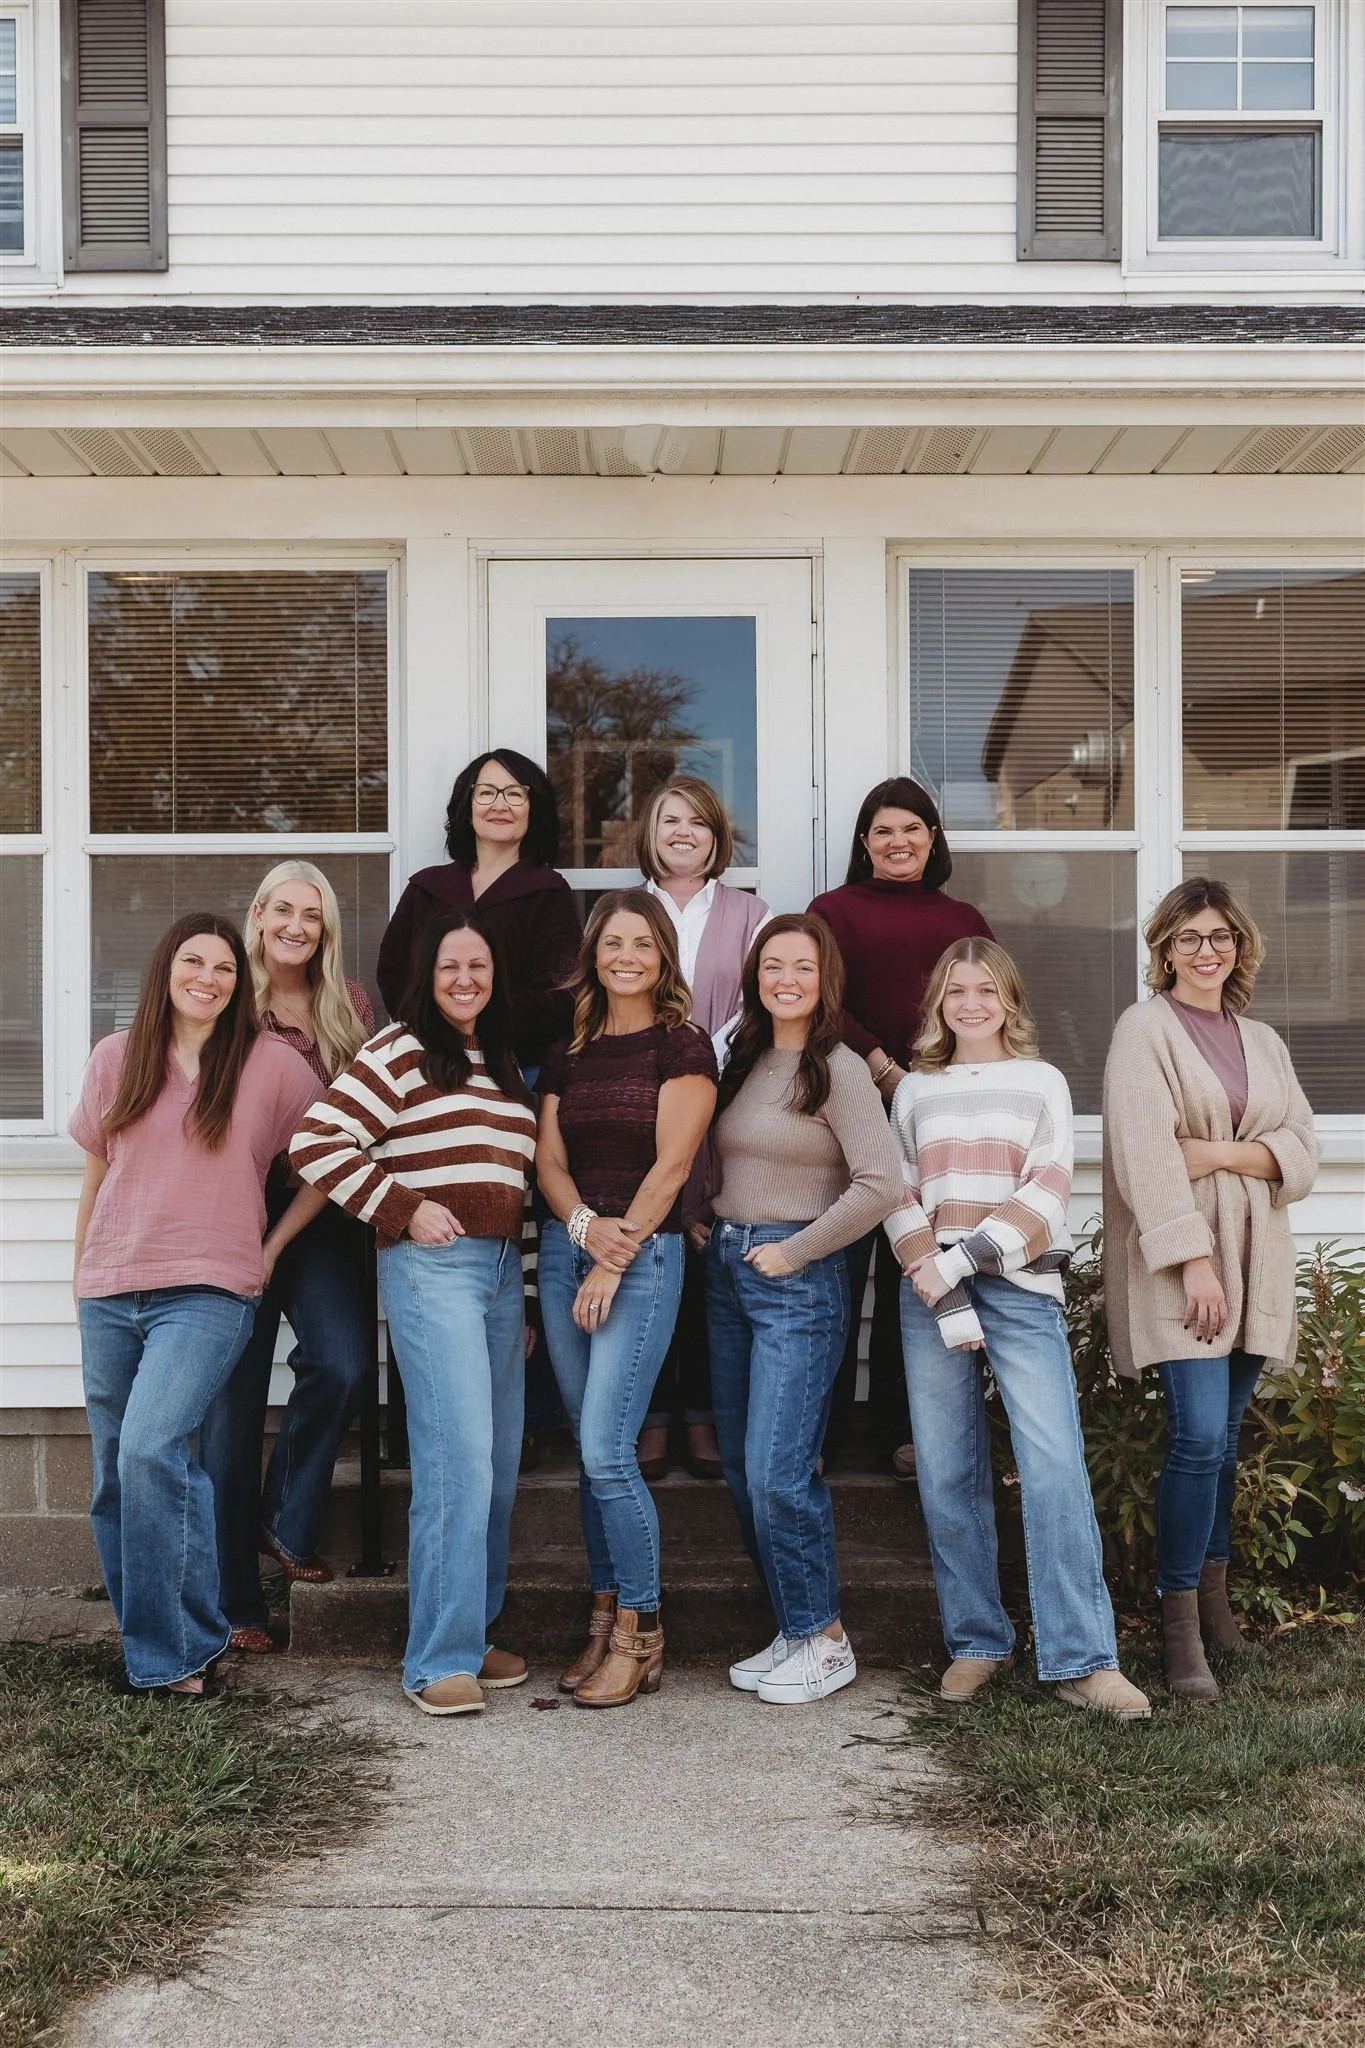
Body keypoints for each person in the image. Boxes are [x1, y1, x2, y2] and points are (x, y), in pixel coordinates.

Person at [888, 937, 1150, 1720]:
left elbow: (1048, 1190)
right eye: (955, 991)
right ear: (938, 1002)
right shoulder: (913, 1091)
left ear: (1008, 1001)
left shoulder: (1040, 1081)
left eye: (985, 991)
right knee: (945, 1470)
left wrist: (962, 1264)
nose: (970, 1004)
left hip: (1015, 1281)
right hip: (927, 1288)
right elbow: (896, 1195)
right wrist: (939, 1288)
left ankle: (1081, 1659)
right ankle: (977, 1640)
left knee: (1052, 1463)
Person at [290, 909, 539, 1717]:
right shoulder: (396, 1051)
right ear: (426, 978)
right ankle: (436, 1659)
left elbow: (519, 1188)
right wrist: (401, 1208)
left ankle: (470, 1629)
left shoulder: (503, 1063)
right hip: (434, 1271)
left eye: (478, 965)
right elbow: (316, 1143)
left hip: (501, 1275)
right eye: (448, 967)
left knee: (496, 1466)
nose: (464, 979)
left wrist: (528, 1292)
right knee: (455, 1462)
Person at [71, 915, 324, 1699]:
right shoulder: (117, 1058)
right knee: (117, 1474)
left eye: (222, 966)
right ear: (165, 970)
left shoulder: (271, 1064)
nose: (208, 978)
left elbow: (331, 1157)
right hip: (111, 1287)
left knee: (152, 1449)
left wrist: (271, 1249)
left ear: (237, 981)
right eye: (192, 961)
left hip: (211, 1288)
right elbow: (95, 1173)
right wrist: (82, 1270)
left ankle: (174, 1655)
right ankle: (160, 1637)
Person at [1102, 879, 1319, 1703]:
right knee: (1195, 1437)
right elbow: (1147, 1156)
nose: (1205, 951)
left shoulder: (1260, 1039)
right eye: (1188, 938)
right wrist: (1191, 1260)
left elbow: (1299, 1143)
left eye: (1219, 936)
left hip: (1255, 1255)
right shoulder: (1143, 1031)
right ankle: (1178, 1623)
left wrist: (1224, 1155)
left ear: (1238, 946)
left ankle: (1216, 1608)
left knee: (1225, 1443)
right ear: (1163, 949)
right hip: (1182, 1262)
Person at [704, 914, 901, 1704]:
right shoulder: (744, 1056)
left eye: (803, 966)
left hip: (795, 1277)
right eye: (772, 964)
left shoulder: (839, 1067)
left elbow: (882, 1184)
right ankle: (792, 1629)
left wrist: (796, 1250)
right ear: (755, 976)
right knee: (744, 1470)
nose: (786, 978)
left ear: (825, 981)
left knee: (780, 1472)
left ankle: (824, 1640)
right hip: (727, 1268)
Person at [536, 890, 717, 1708]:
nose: (627, 956)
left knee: (611, 1451)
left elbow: (673, 1165)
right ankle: (603, 1619)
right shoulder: (566, 1050)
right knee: (590, 1450)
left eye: (642, 943)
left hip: (643, 1260)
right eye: (613, 942)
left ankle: (642, 1634)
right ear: (593, 954)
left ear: (662, 956)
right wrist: (580, 1232)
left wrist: (615, 1256)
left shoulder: (682, 1046)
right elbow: (547, 1164)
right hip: (570, 1248)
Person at [375, 747, 580, 1460]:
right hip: (427, 1071)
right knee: (431, 1252)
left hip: (512, 1070)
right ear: (465, 806)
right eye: (486, 791)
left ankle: (522, 1419)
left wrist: (483, 1032)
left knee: (512, 1229)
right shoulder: (428, 888)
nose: (499, 803)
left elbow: (557, 994)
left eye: (515, 792)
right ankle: (425, 1425)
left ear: (534, 810)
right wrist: (443, 1036)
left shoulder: (547, 892)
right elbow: (393, 973)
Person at [199, 861, 374, 1653]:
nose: (298, 927)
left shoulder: (350, 1007)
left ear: (326, 928)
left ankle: (286, 1517)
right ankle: (237, 1602)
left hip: (326, 1212)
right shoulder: (229, 1001)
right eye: (284, 911)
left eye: (314, 915)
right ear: (260, 915)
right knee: (230, 1411)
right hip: (237, 1204)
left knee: (342, 1362)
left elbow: (371, 1115)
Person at [810, 777, 992, 1471]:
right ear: (863, 843)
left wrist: (934, 1078)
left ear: (932, 839)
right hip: (852, 1102)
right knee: (838, 1266)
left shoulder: (962, 919)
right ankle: (820, 1434)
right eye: (883, 831)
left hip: (940, 1110)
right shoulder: (832, 911)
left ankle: (900, 1430)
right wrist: (884, 1068)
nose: (897, 842)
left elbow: (988, 1005)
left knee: (914, 1265)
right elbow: (818, 999)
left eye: (911, 830)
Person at [637, 775, 770, 1481]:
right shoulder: (625, 909)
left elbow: (764, 997)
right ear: (649, 834)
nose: (682, 831)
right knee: (652, 1251)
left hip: (724, 1093)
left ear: (717, 835)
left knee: (708, 1256)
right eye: (668, 820)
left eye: (696, 821)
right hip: (639, 1098)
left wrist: (708, 1055)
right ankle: (656, 1417)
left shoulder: (751, 914)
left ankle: (709, 1416)